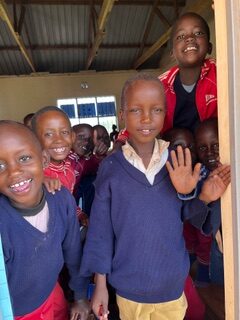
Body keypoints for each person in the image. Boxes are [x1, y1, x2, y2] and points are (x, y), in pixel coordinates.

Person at [80, 74, 230, 320]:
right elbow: (100, 231)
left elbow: (188, 217)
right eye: (136, 110)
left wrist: (200, 196)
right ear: (122, 115)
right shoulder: (111, 168)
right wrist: (100, 284)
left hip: (171, 288)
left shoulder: (177, 161)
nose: (147, 118)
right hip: (129, 290)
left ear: (166, 112)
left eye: (156, 109)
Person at [0, 121, 90, 319]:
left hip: (52, 293)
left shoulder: (61, 199)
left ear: (43, 159)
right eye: (0, 165)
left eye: (24, 158)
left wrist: (81, 296)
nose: (14, 172)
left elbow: (73, 252)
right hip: (16, 312)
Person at [114, 11, 217, 148]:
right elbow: (140, 118)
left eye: (198, 33)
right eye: (181, 36)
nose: (190, 38)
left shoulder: (223, 74)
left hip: (215, 155)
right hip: (174, 157)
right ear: (172, 53)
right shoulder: (161, 86)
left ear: (209, 47)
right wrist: (120, 143)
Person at [163, 127, 213, 287]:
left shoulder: (201, 170)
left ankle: (203, 275)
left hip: (202, 218)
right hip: (184, 222)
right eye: (178, 147)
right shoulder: (163, 174)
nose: (186, 152)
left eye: (191, 147)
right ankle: (189, 268)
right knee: (188, 240)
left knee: (204, 242)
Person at [194, 118, 226, 285]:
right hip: (218, 245)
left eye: (216, 145)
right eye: (202, 148)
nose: (210, 153)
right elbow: (198, 220)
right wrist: (206, 198)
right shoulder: (200, 177)